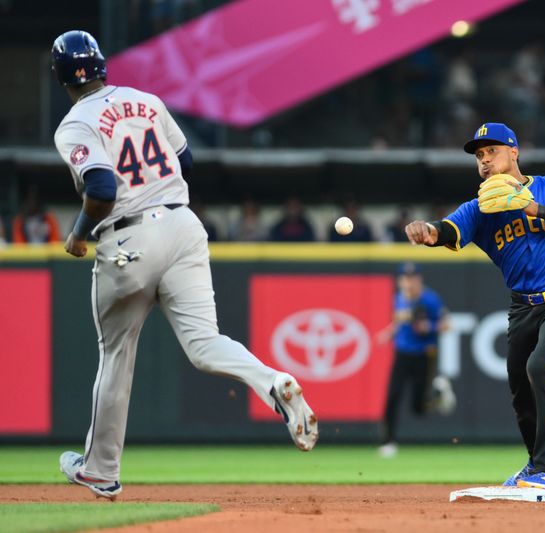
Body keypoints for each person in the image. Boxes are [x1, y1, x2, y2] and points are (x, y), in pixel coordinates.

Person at [50, 30, 318, 500]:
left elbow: (102, 189)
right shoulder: (146, 101)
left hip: (127, 238)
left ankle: (101, 470)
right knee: (205, 344)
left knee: (117, 356)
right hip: (182, 223)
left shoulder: (74, 124)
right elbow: (185, 161)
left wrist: (75, 235)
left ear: (60, 77)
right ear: (101, 65)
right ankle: (272, 381)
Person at [403, 122, 545, 500]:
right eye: (479, 157)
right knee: (521, 388)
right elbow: (447, 231)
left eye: (492, 152)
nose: (485, 161)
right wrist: (427, 230)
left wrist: (532, 206)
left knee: (542, 367)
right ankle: (535, 465)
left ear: (514, 152)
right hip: (523, 309)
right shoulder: (482, 210)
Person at [376, 262, 453, 458]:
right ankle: (388, 442)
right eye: (405, 278)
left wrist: (430, 327)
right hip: (402, 352)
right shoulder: (399, 298)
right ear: (401, 281)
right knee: (392, 397)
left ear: (419, 279)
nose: (409, 282)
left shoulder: (430, 299)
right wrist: (388, 333)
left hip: (423, 354)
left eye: (413, 278)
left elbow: (447, 325)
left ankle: (438, 393)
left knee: (418, 407)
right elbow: (399, 323)